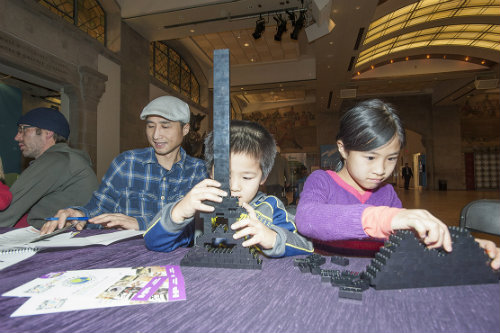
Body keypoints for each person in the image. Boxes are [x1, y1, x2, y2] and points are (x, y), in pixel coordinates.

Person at [295, 99, 500, 269]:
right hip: (326, 280)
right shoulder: (322, 181)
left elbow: (406, 241)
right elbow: (308, 218)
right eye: (370, 158)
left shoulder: (387, 193)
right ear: (343, 149)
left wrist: (460, 246)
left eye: (391, 158)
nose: (381, 170)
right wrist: (385, 218)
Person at [144, 120, 314, 257]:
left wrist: (272, 237)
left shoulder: (270, 207)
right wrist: (179, 211)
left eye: (247, 177)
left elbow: (307, 246)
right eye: (224, 175)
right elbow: (154, 242)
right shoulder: (201, 207)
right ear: (210, 172)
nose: (234, 187)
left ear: (263, 177)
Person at [40, 96, 208, 235]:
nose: (156, 135)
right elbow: (99, 208)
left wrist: (141, 223)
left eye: (165, 126)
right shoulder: (127, 163)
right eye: (150, 126)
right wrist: (79, 214)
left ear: (185, 129)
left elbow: (201, 227)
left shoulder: (200, 172)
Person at [0, 107, 98, 228]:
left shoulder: (56, 160)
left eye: (23, 130)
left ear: (48, 132)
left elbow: (6, 212)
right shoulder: (68, 160)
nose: (17, 137)